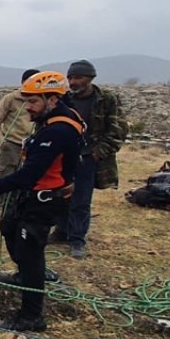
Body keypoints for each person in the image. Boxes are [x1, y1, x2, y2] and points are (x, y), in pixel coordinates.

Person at [0, 71, 84, 332]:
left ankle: (31, 316)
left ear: (52, 99)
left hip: (44, 200)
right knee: (8, 226)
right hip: (36, 195)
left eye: (32, 102)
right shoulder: (56, 119)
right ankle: (24, 274)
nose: (27, 108)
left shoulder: (57, 131)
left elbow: (28, 174)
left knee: (31, 252)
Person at [53, 60, 128, 258]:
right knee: (59, 194)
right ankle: (61, 230)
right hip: (63, 157)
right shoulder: (64, 100)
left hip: (88, 157)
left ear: (90, 78)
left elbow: (119, 129)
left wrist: (97, 153)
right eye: (70, 78)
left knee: (81, 200)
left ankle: (77, 239)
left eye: (78, 77)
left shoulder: (106, 99)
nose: (73, 82)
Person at [0, 68, 41, 230]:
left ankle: (14, 214)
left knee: (28, 181)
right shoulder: (11, 99)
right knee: (4, 179)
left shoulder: (42, 101)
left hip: (32, 146)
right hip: (11, 146)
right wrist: (1, 142)